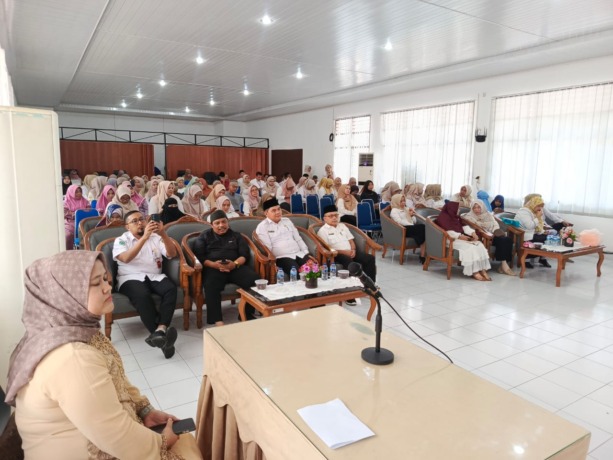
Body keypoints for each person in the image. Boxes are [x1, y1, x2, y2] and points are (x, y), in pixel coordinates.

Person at [5, 251, 201, 459]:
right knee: (185, 444)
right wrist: (161, 442)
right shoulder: (72, 357)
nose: (108, 287)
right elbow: (118, 436)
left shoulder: (66, 331)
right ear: (66, 293)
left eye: (105, 279)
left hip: (93, 436)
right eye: (96, 283)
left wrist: (145, 411)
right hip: (82, 450)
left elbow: (117, 380)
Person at [113, 211, 179, 358]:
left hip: (154, 275)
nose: (140, 223)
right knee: (142, 295)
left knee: (170, 289)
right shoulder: (121, 240)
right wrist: (144, 238)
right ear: (127, 226)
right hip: (129, 277)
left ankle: (160, 331)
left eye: (142, 219)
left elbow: (172, 253)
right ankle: (163, 339)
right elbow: (126, 258)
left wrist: (163, 234)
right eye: (134, 221)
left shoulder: (156, 237)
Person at [193, 210, 258, 325]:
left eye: (224, 222)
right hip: (213, 268)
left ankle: (246, 314)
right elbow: (199, 257)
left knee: (254, 279)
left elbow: (244, 255)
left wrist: (235, 264)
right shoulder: (204, 236)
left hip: (235, 267)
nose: (221, 225)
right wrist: (214, 264)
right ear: (211, 225)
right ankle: (217, 320)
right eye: (217, 223)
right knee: (210, 285)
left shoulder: (236, 235)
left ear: (228, 222)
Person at [317, 205, 376, 305]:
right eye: (331, 216)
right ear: (325, 218)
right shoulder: (322, 231)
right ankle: (350, 294)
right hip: (336, 255)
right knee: (348, 262)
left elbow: (351, 240)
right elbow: (328, 249)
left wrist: (353, 249)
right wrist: (345, 252)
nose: (334, 218)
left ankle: (369, 286)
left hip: (350, 251)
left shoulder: (343, 226)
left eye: (336, 215)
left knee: (369, 258)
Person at [435, 201, 492, 281]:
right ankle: (474, 272)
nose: (459, 210)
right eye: (457, 208)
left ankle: (482, 269)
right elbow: (446, 232)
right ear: (452, 209)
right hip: (450, 240)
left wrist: (473, 233)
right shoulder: (443, 217)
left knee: (479, 244)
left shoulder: (455, 217)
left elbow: (463, 227)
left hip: (460, 239)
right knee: (471, 248)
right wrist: (460, 236)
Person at [255, 198, 311, 274]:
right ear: (266, 213)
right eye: (274, 210)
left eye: (279, 209)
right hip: (282, 257)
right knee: (296, 273)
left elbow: (298, 239)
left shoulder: (287, 221)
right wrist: (272, 263)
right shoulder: (263, 227)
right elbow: (267, 249)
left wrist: (306, 254)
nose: (278, 212)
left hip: (299, 254)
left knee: (314, 270)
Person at [463, 200, 516, 275]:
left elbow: (495, 224)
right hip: (483, 237)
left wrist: (494, 231)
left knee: (507, 240)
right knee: (502, 240)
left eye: (478, 207)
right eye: (474, 208)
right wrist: (487, 227)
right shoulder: (469, 216)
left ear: (482, 207)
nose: (476, 210)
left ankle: (503, 264)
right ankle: (504, 267)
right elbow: (476, 227)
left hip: (492, 234)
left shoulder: (488, 214)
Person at [516, 195, 551, 269]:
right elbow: (530, 226)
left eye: (541, 207)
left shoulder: (532, 211)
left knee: (548, 237)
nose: (540, 209)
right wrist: (538, 217)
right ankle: (526, 260)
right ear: (533, 204)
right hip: (524, 235)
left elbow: (537, 227)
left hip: (531, 233)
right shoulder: (524, 212)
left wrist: (543, 231)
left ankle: (542, 258)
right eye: (538, 206)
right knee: (544, 239)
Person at [389, 194, 426, 263]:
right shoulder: (394, 211)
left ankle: (423, 255)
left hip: (410, 227)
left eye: (404, 201)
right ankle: (423, 255)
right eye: (401, 201)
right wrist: (411, 225)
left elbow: (414, 221)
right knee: (422, 228)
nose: (403, 203)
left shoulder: (406, 209)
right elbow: (399, 222)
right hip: (402, 229)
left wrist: (411, 215)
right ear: (396, 201)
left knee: (424, 229)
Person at [64, 184, 91, 250]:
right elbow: (65, 213)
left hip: (83, 222)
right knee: (68, 236)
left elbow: (89, 211)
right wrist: (75, 214)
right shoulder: (66, 202)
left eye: (80, 191)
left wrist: (81, 214)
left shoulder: (85, 201)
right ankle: (68, 252)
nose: (79, 193)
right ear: (71, 192)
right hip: (71, 222)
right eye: (76, 192)